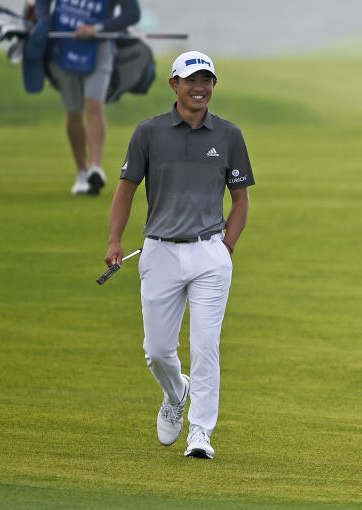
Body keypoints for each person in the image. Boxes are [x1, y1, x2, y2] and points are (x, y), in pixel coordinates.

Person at [104, 50, 254, 459]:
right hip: (160, 252)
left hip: (210, 254)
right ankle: (176, 391)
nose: (200, 87)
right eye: (191, 80)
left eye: (207, 80)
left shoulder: (229, 135)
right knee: (156, 351)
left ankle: (201, 433)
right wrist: (115, 242)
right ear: (174, 84)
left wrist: (227, 247)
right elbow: (126, 189)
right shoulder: (148, 133)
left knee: (206, 347)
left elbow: (240, 200)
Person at [32, 0, 140, 195]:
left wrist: (99, 27)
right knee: (72, 110)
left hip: (99, 46)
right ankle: (80, 172)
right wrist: (43, 22)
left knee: (94, 103)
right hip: (62, 45)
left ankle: (95, 168)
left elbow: (132, 12)